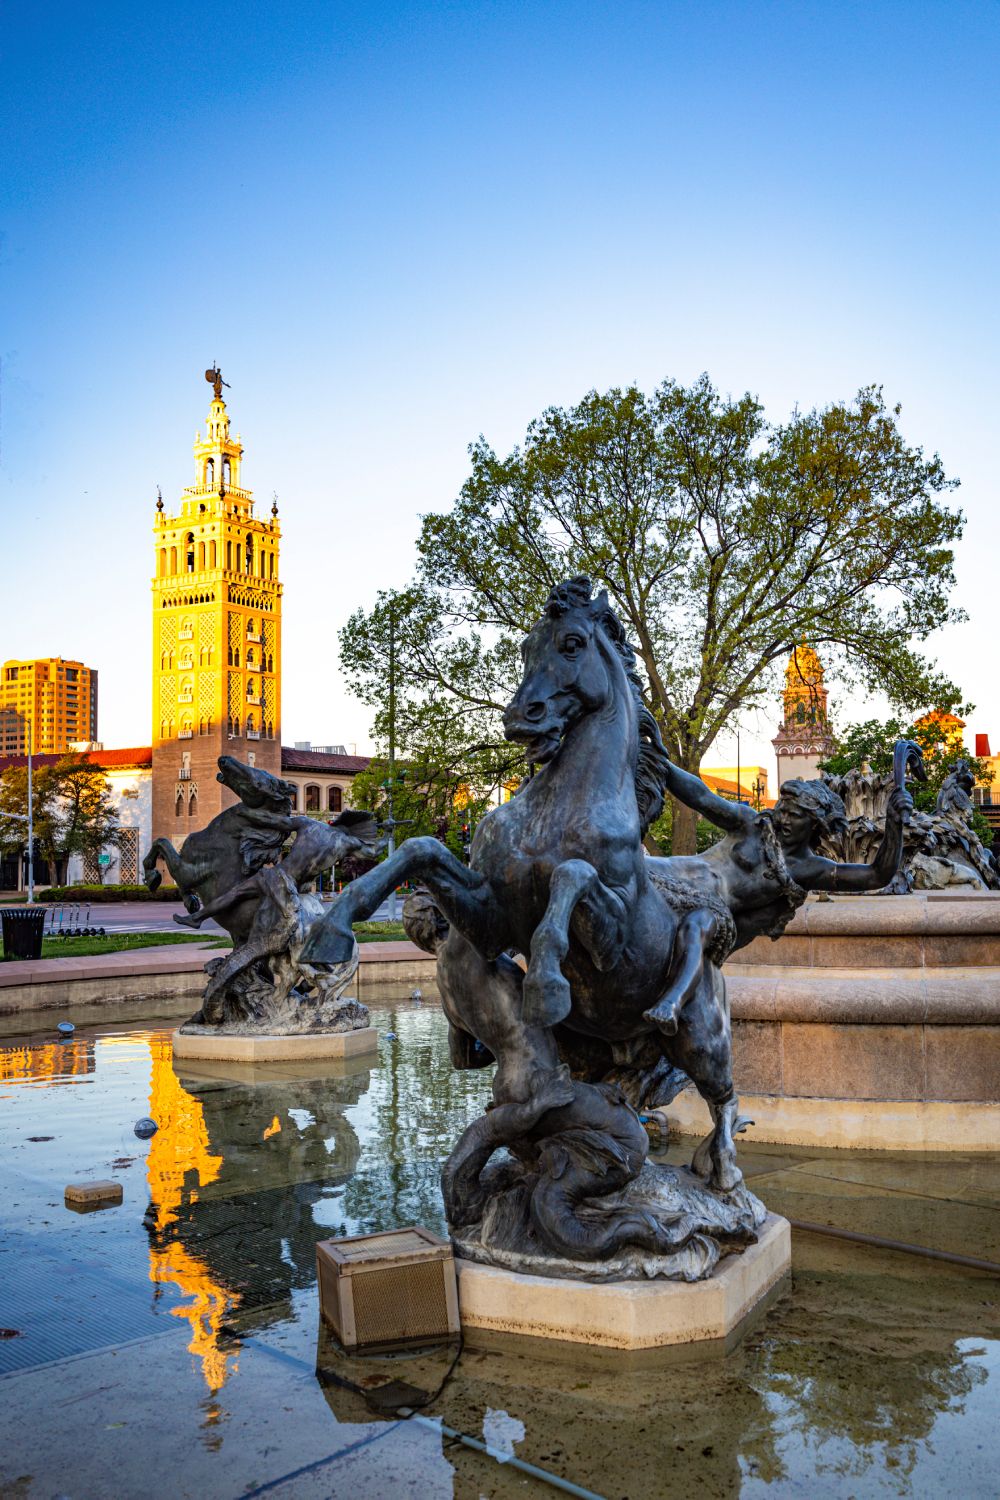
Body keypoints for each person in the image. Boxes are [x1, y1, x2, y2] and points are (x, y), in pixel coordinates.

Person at [643, 768, 912, 1035]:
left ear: (814, 824)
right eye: (782, 809)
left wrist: (894, 825)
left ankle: (671, 1004)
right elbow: (701, 797)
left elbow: (876, 876)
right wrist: (663, 764)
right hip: (670, 874)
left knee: (696, 925)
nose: (783, 819)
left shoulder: (807, 869)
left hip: (714, 911)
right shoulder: (750, 824)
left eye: (794, 815)